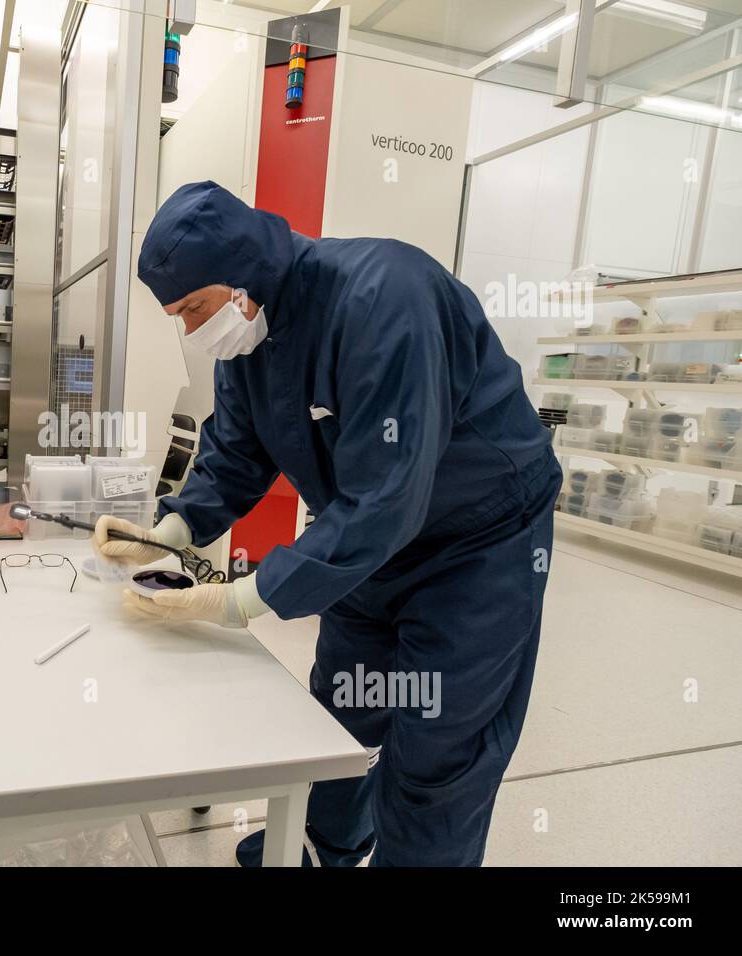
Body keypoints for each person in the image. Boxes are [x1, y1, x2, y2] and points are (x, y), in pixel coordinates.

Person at [93, 181, 562, 867]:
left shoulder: (384, 299)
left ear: (243, 276)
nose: (191, 331)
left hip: (479, 544)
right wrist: (172, 528)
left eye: (193, 308)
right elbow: (238, 451)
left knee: (438, 743)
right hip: (364, 541)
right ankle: (317, 844)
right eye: (176, 315)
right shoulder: (248, 334)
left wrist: (241, 598)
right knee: (342, 709)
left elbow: (388, 496)